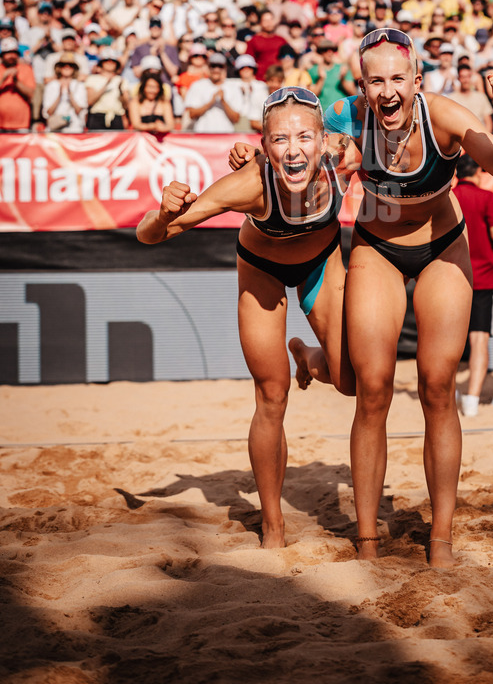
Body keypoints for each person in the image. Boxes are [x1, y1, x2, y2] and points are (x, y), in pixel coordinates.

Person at [325, 27, 493, 566]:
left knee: (438, 385)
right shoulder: (344, 116)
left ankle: (440, 537)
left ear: (416, 81)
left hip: (444, 246)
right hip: (376, 247)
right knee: (372, 387)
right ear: (362, 87)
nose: (388, 90)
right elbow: (289, 158)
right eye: (377, 81)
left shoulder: (444, 117)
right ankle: (368, 540)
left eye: (399, 78)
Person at [137, 87, 354, 547]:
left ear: (324, 140)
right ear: (263, 144)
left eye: (303, 138)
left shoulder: (345, 159)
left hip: (321, 262)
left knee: (351, 378)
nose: (293, 150)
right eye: (279, 140)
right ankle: (272, 523)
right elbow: (149, 236)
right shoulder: (248, 184)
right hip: (262, 269)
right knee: (271, 397)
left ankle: (306, 354)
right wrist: (161, 215)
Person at [453, 155, 493, 416]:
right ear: (476, 172)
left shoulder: (448, 198)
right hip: (482, 277)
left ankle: (448, 393)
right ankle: (472, 402)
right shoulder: (486, 198)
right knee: (479, 341)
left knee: (445, 341)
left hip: (449, 277)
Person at [42, 52, 87, 132]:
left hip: (74, 128)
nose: (67, 67)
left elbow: (80, 110)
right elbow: (48, 112)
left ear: (74, 69)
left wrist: (70, 95)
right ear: (59, 68)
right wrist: (59, 95)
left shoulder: (79, 85)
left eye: (70, 66)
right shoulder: (51, 85)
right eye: (63, 65)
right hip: (55, 128)